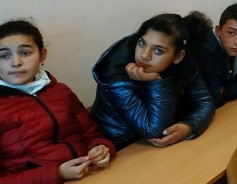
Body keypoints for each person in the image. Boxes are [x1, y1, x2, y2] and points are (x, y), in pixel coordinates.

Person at [0, 20, 115, 184]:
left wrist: (101, 148)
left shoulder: (60, 91)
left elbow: (92, 135)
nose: (15, 62)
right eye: (3, 56)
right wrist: (57, 173)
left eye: (25, 53)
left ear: (42, 55)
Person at [90, 12, 215, 150]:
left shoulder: (184, 61)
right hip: (121, 146)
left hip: (155, 137)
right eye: (142, 43)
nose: (144, 55)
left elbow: (204, 101)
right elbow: (155, 131)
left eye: (158, 51)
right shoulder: (116, 76)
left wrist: (189, 126)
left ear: (178, 56)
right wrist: (156, 81)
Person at [198, 3, 237, 108]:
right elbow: (214, 98)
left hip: (230, 106)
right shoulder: (208, 50)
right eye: (231, 33)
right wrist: (223, 91)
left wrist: (224, 90)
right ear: (218, 31)